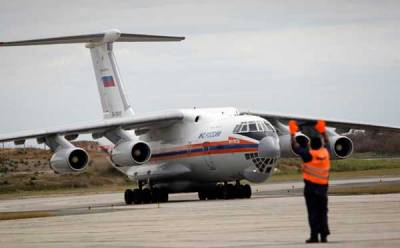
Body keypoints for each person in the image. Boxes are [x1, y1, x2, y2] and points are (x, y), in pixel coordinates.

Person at [289, 119, 331, 243]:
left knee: (313, 213)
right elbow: (327, 142)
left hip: (311, 189)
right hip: (323, 189)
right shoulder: (326, 153)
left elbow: (295, 147)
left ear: (311, 145)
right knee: (323, 212)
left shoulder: (309, 155)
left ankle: (314, 236)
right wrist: (323, 132)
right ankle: (324, 235)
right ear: (321, 145)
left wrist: (292, 133)